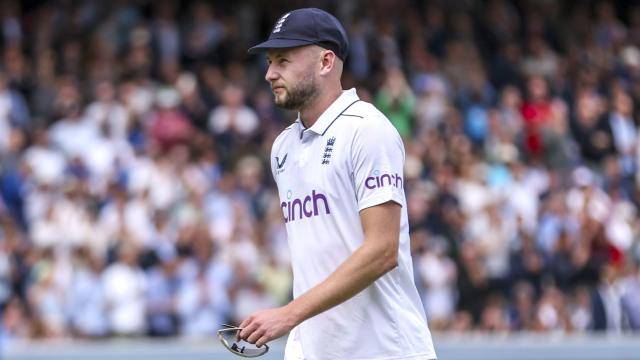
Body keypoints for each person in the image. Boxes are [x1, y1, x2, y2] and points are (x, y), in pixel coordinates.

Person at [240, 8, 437, 359]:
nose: (270, 73)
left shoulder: (367, 131)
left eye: (283, 60)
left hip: (384, 349)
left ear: (326, 62)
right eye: (270, 62)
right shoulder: (282, 148)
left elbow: (382, 251)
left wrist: (288, 313)